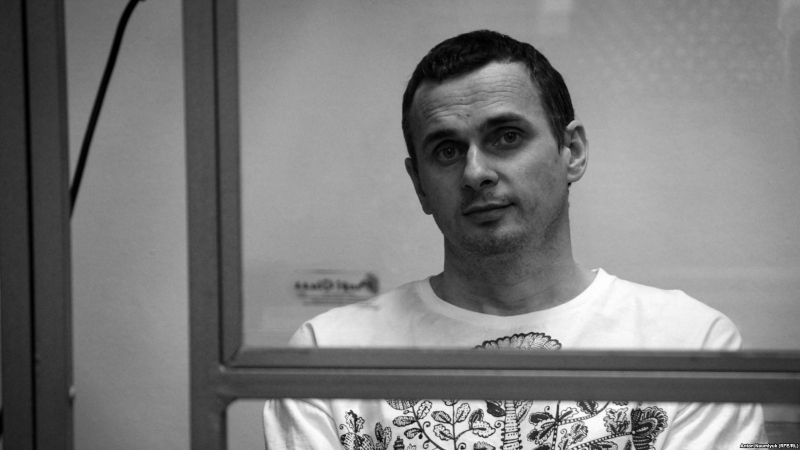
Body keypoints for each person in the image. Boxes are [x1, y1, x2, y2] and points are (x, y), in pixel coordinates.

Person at [264, 30, 766, 450]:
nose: (475, 173)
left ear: (572, 151)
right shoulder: (329, 353)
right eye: (446, 150)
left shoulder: (689, 342)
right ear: (419, 184)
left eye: (507, 137)